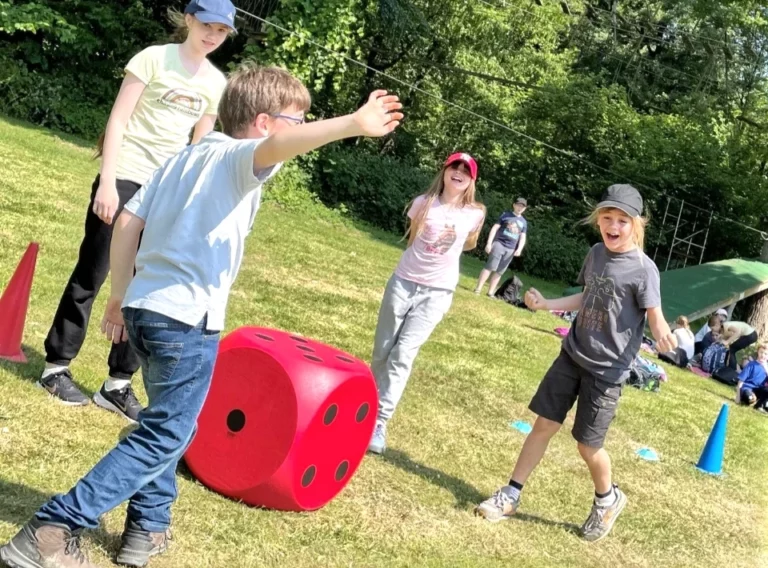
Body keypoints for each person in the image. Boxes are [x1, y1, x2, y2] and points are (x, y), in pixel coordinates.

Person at [0, 65, 403, 568]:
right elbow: (278, 147)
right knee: (166, 433)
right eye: (296, 121)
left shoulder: (183, 157)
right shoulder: (237, 157)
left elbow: (128, 222)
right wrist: (353, 124)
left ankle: (147, 528)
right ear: (263, 123)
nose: (299, 132)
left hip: (146, 310)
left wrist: (119, 295)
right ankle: (52, 530)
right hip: (185, 321)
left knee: (170, 422)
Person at [37, 0, 234, 422]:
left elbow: (198, 149)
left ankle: (117, 384)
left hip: (164, 193)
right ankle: (55, 367)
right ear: (189, 20)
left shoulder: (215, 82)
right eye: (207, 25)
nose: (213, 35)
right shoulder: (153, 59)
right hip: (125, 176)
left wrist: (187, 202)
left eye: (221, 31)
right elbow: (119, 120)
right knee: (93, 273)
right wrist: (108, 181)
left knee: (145, 287)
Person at [474, 184, 676, 542]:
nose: (613, 226)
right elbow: (586, 296)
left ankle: (608, 499)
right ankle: (511, 494)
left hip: (607, 372)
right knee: (544, 424)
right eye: (607, 218)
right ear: (599, 220)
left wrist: (662, 334)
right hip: (572, 354)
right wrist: (547, 305)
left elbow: (654, 314)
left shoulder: (645, 270)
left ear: (636, 225)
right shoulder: (596, 253)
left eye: (622, 221)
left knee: (588, 446)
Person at [367, 153, 486, 454]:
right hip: (402, 283)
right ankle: (365, 407)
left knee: (403, 354)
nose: (459, 173)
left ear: (471, 180)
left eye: (466, 171)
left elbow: (469, 243)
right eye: (454, 167)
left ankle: (380, 421)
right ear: (445, 171)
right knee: (382, 352)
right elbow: (412, 241)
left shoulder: (475, 213)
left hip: (438, 292)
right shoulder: (423, 203)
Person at [474, 197, 528, 297]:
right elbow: (494, 228)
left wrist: (519, 249)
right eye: (518, 205)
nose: (520, 208)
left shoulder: (524, 222)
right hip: (499, 244)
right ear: (514, 205)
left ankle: (490, 292)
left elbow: (523, 237)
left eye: (522, 206)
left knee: (499, 272)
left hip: (511, 249)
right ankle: (478, 289)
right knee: (489, 267)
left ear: (525, 208)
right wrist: (489, 243)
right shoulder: (505, 215)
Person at [735, 343, 768, 410]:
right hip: (747, 389)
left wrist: (766, 369)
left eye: (765, 354)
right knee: (750, 398)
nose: (763, 355)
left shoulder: (766, 368)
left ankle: (759, 405)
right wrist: (738, 397)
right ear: (758, 352)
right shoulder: (751, 365)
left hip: (759, 390)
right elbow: (740, 381)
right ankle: (751, 399)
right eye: (761, 352)